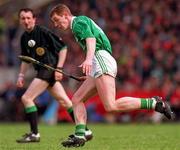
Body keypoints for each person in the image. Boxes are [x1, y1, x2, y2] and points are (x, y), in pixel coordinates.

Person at [50, 4, 174, 148]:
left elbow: (91, 39)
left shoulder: (77, 22)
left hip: (100, 58)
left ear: (65, 15)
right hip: (100, 62)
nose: (56, 24)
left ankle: (154, 103)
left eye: (56, 20)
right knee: (77, 99)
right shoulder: (79, 23)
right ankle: (81, 134)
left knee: (110, 105)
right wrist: (92, 75)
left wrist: (89, 60)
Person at [16, 8, 92, 143]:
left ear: (34, 19)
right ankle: (85, 130)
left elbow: (63, 47)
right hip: (43, 71)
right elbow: (25, 59)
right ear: (20, 20)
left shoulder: (43, 32)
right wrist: (21, 75)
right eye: (23, 18)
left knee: (27, 98)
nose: (26, 21)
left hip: (48, 70)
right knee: (65, 101)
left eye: (28, 18)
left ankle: (35, 134)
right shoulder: (24, 37)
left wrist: (59, 68)